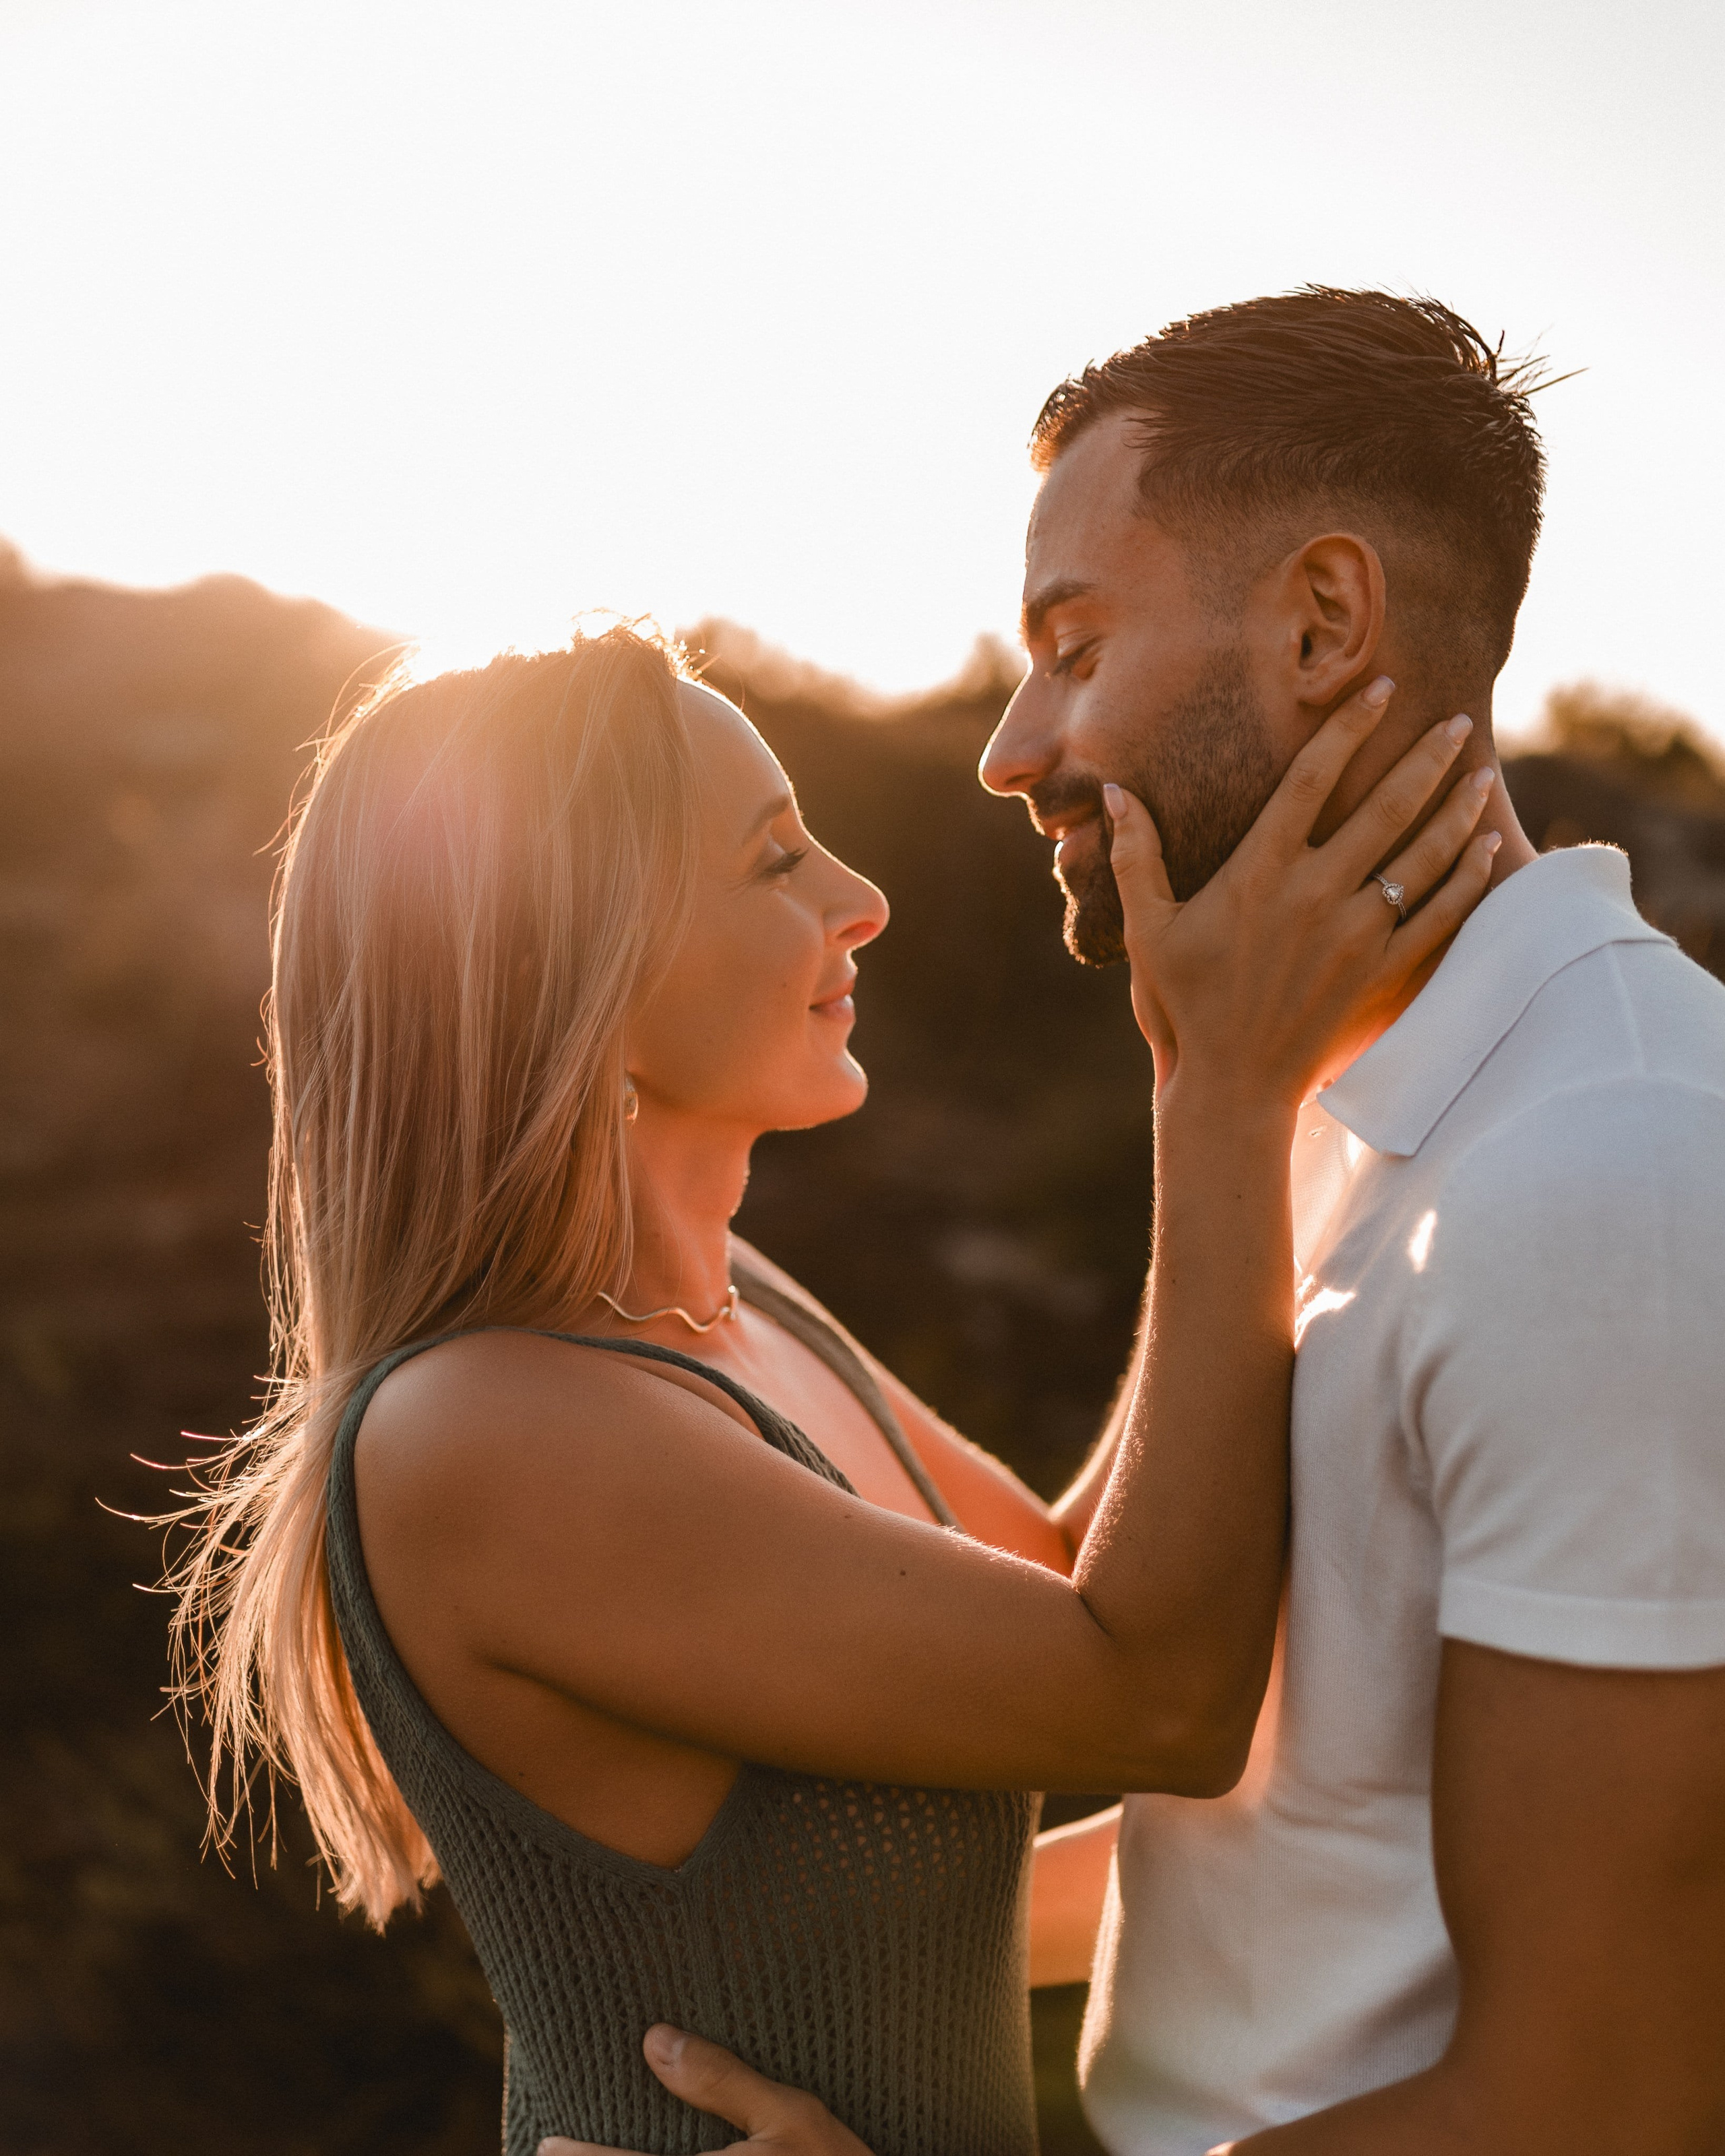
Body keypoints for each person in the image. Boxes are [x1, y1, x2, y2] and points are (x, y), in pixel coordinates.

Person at [555, 291, 1725, 2154]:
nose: (1010, 747)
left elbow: (1595, 2103)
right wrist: (691, 1977)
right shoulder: (1350, 1106)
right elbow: (1296, 1815)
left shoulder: (1611, 1179)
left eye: (1074, 647)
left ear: (1322, 624)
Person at [167, 608, 1491, 2153]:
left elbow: (1077, 1578)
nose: (860, 899)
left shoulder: (742, 1307)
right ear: (575, 969)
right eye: (774, 859)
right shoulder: (491, 1431)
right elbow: (1157, 1693)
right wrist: (1219, 1094)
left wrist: (1289, 1088)